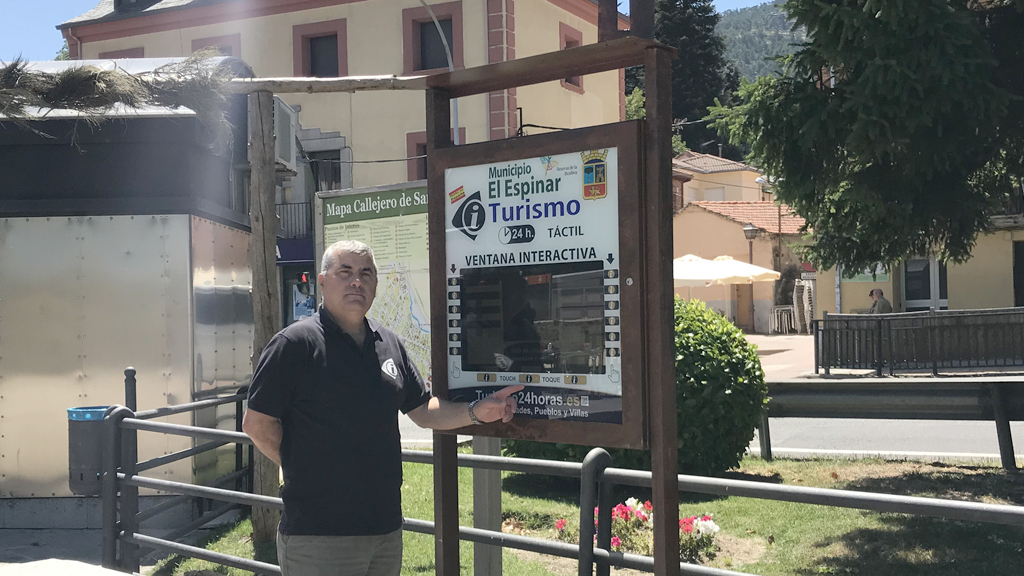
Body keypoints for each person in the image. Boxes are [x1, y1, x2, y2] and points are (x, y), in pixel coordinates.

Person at [242, 239, 522, 576]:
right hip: (320, 535)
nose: (356, 281)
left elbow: (423, 409)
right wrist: (306, 468)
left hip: (385, 530)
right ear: (322, 280)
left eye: (366, 273)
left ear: (375, 284)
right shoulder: (294, 345)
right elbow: (257, 424)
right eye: (345, 272)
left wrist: (478, 411)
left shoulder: (389, 343)